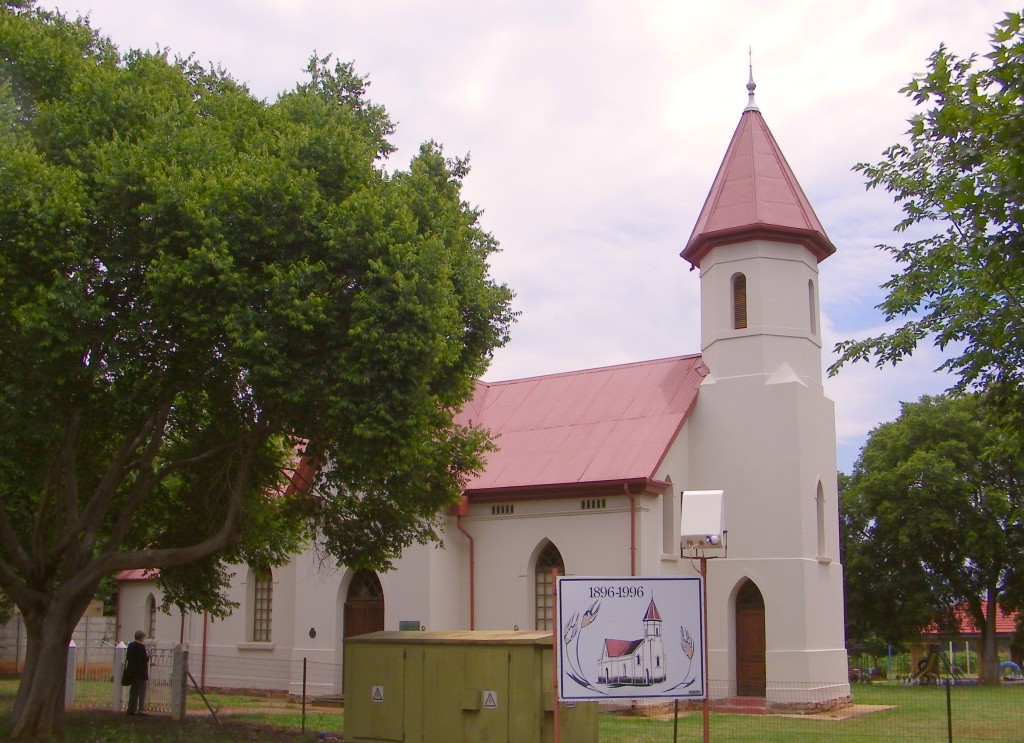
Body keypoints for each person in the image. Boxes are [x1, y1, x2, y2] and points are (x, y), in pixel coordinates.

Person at [123, 630, 149, 716]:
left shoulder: (130, 645)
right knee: (141, 691)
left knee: (133, 691)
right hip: (141, 673)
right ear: (141, 637)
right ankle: (141, 709)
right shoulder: (141, 647)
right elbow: (144, 659)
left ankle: (131, 709)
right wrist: (148, 656)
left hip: (132, 672)